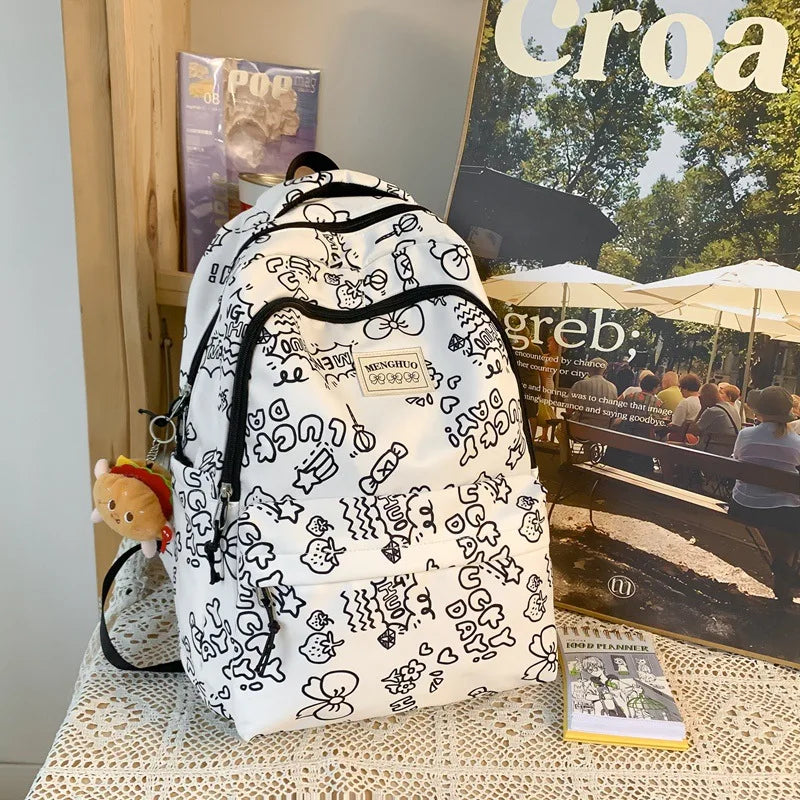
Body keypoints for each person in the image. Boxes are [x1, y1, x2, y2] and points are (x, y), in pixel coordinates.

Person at [727, 386, 800, 603]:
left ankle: (782, 569)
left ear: (760, 410)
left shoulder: (746, 435)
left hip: (743, 504)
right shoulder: (796, 442)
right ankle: (784, 571)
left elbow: (736, 460)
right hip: (781, 512)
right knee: (791, 524)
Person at [604, 374, 668, 476]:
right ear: (655, 387)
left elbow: (620, 410)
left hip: (624, 435)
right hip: (643, 441)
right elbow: (656, 423)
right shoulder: (657, 403)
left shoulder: (630, 396)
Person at [689, 383, 742, 456]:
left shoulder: (712, 411)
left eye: (701, 397)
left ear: (706, 397)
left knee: (671, 445)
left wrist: (702, 408)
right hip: (727, 454)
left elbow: (692, 431)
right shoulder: (733, 409)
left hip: (708, 453)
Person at [566, 358, 617, 428]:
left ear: (589, 369)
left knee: (559, 431)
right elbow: (613, 413)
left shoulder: (580, 384)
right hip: (603, 430)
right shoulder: (612, 387)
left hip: (580, 428)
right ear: (604, 371)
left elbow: (569, 409)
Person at [667, 373, 702, 440]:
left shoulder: (685, 403)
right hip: (694, 438)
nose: (680, 391)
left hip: (681, 437)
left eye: (681, 388)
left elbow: (676, 424)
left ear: (685, 388)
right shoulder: (701, 401)